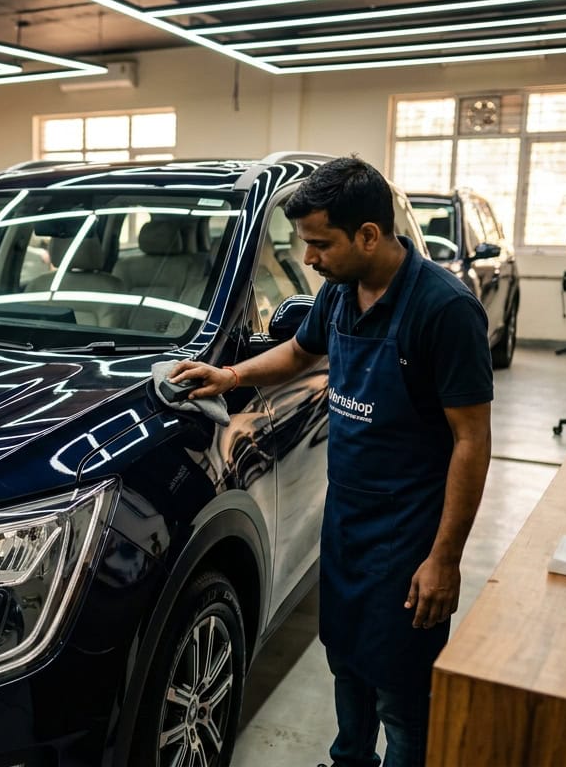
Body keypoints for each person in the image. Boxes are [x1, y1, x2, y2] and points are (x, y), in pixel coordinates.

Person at [170, 157, 492, 767]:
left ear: (369, 235)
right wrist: (230, 374)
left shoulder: (444, 310)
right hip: (345, 519)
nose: (309, 259)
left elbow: (472, 440)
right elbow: (298, 351)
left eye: (320, 244)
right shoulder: (341, 292)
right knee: (345, 660)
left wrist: (444, 561)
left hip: (409, 533)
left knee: (400, 685)